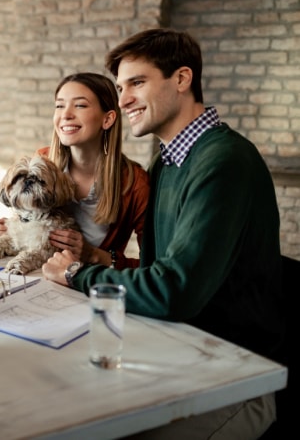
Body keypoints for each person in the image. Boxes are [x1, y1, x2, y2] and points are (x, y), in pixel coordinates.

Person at [43, 28, 283, 439]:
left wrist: (77, 275)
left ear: (182, 79)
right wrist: (101, 261)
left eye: (137, 82)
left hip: (233, 377)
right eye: (120, 87)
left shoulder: (223, 162)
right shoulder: (166, 164)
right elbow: (158, 270)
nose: (122, 100)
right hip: (176, 348)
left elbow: (174, 290)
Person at [0, 72, 149, 269]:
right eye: (59, 105)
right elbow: (31, 225)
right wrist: (13, 230)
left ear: (108, 119)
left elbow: (153, 268)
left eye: (80, 105)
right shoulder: (42, 161)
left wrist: (95, 255)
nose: (65, 115)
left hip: (89, 288)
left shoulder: (134, 183)